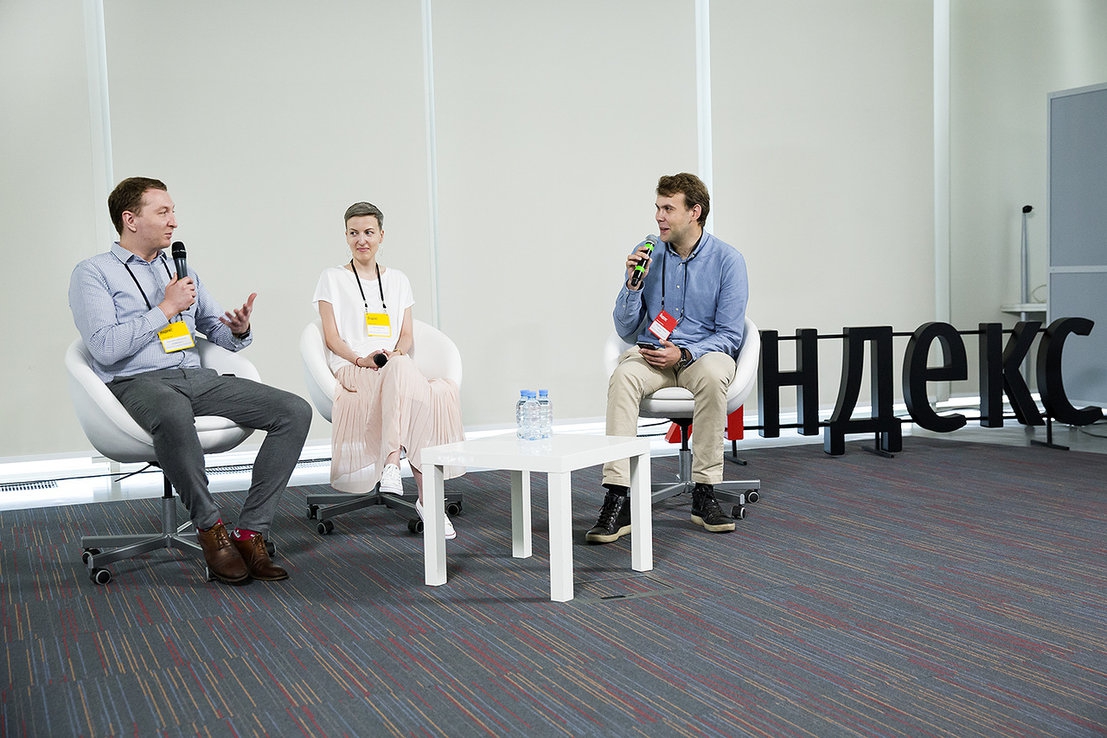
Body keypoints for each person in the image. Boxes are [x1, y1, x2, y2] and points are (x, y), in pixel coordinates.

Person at [68, 177, 312, 584]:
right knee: (171, 410)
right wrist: (166, 308)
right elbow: (105, 348)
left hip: (196, 376)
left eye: (173, 212)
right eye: (163, 212)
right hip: (136, 382)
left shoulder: (179, 269)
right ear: (130, 219)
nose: (174, 221)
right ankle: (210, 529)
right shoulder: (93, 273)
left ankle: (251, 532)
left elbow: (214, 331)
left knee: (293, 410)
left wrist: (237, 329)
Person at [586, 172, 749, 544]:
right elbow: (625, 327)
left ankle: (704, 492)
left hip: (701, 356)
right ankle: (618, 496)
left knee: (713, 375)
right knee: (623, 376)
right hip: (654, 356)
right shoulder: (649, 253)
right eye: (657, 208)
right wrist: (632, 284)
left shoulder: (728, 261)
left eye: (668, 209)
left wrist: (685, 352)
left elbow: (730, 335)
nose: (659, 216)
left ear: (695, 212)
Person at [312, 202, 465, 538]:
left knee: (406, 376)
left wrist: (395, 355)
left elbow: (406, 334)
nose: (361, 240)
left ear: (381, 235)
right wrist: (361, 359)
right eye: (353, 233)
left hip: (393, 365)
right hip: (354, 368)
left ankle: (393, 464)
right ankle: (427, 499)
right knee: (418, 394)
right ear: (346, 236)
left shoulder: (398, 280)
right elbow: (332, 338)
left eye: (368, 232)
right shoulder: (331, 278)